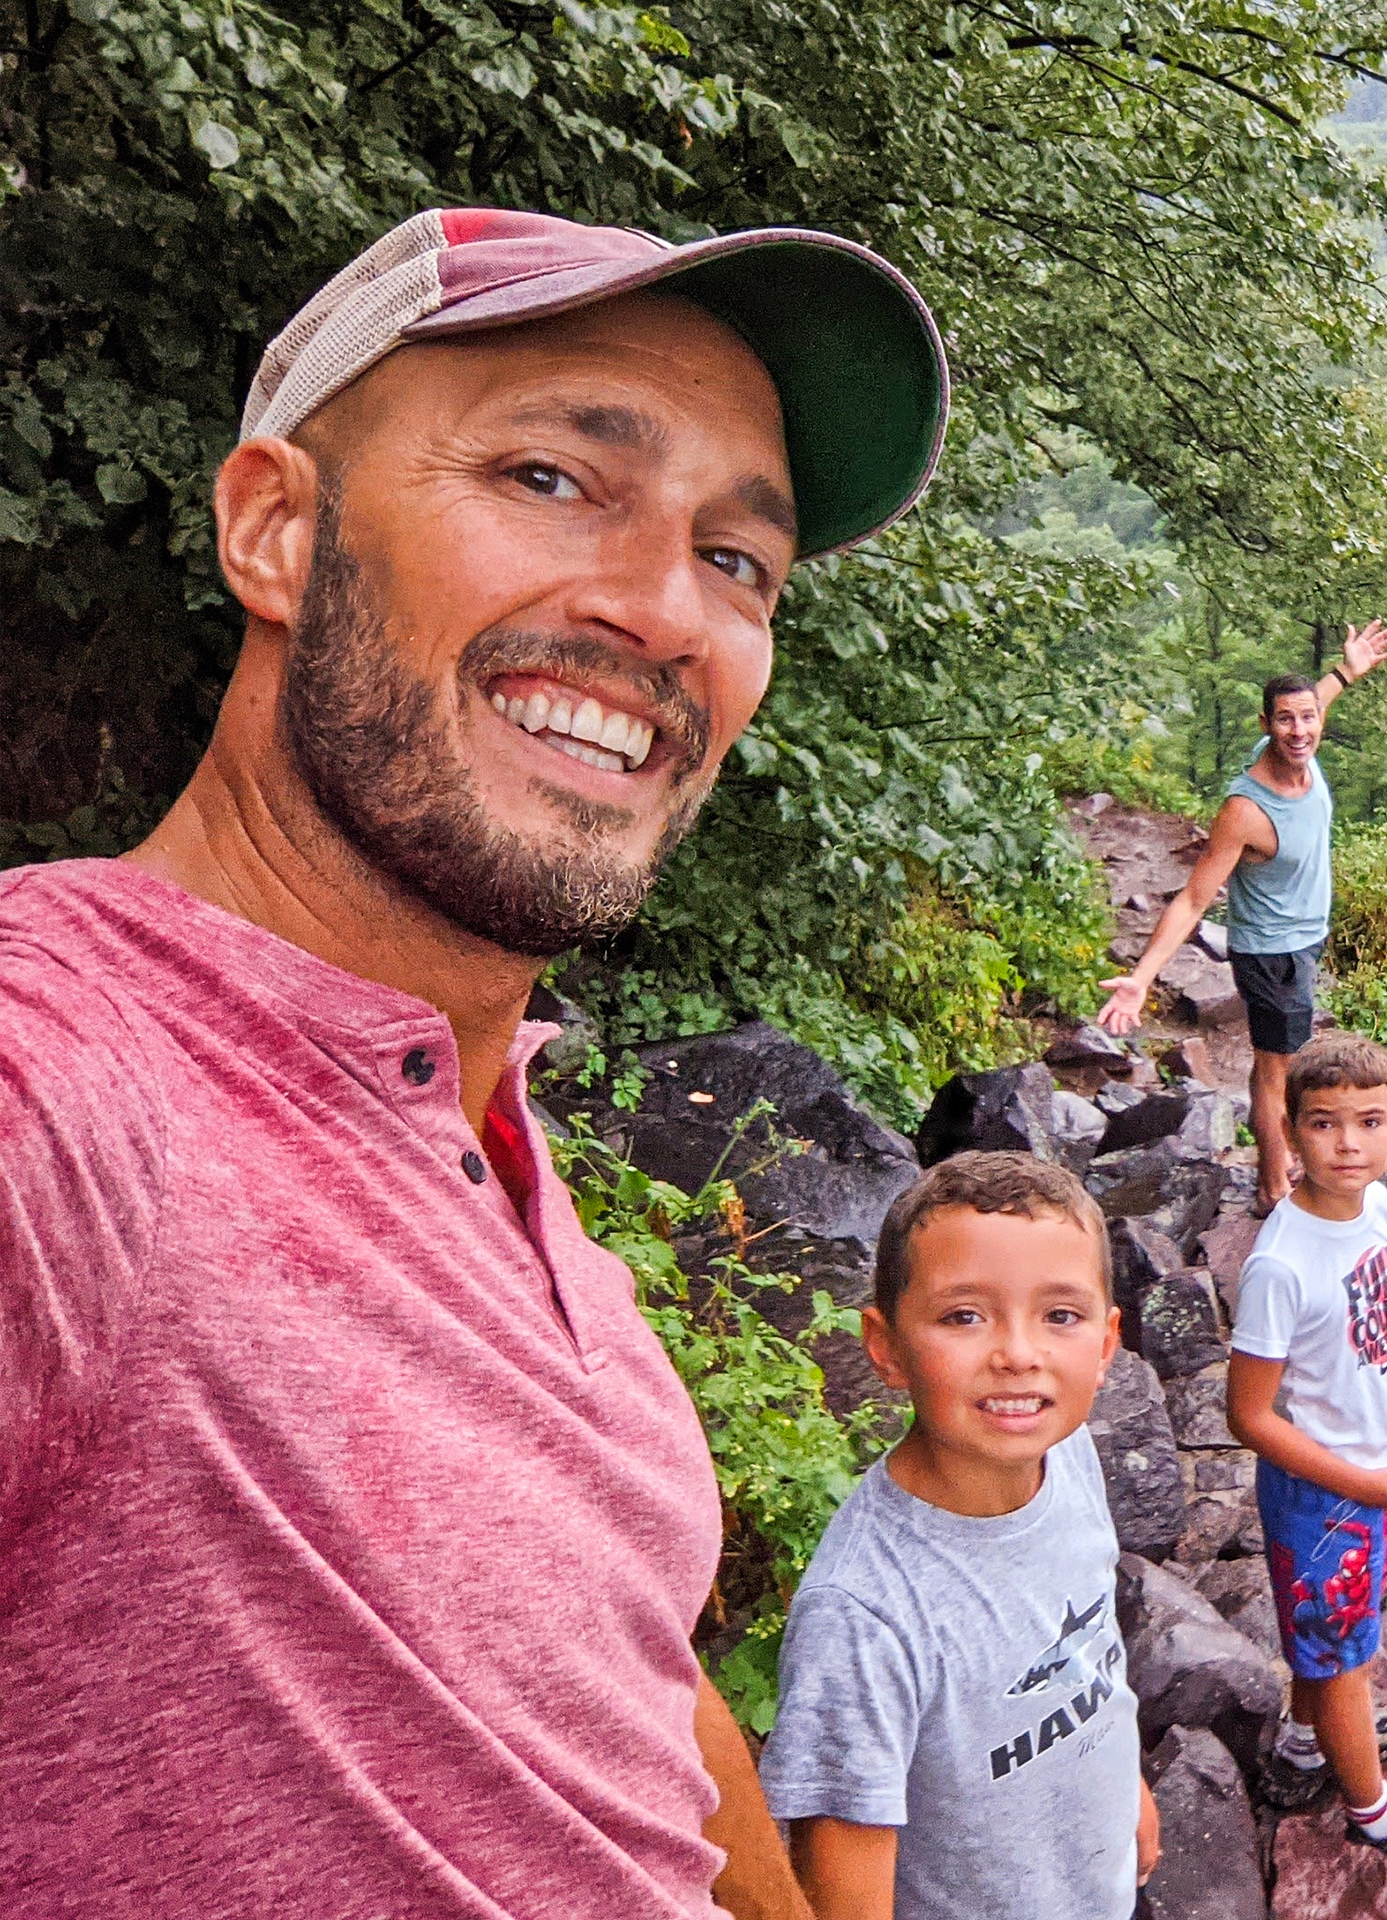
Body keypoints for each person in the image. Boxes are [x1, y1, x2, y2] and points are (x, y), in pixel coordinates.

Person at [0, 208, 948, 1919]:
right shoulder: (70, 1079)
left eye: (739, 561)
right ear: (278, 529)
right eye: (552, 478)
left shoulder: (485, 1143)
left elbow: (622, 1667)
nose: (666, 611)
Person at [761, 1152, 1161, 1920]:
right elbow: (845, 1894)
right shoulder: (863, 1616)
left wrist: (1127, 1790)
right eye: (964, 1316)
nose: (1018, 1355)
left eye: (1060, 1315)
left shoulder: (1068, 1454)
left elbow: (1088, 1653)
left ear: (1107, 1345)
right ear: (885, 1346)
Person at [1224, 1032, 1387, 1853]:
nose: (1348, 1143)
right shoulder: (1280, 1266)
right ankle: (1378, 1816)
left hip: (1369, 1466)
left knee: (1327, 1641)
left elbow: (1383, 1328)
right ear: (1289, 1130)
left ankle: (1302, 1750)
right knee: (1344, 1664)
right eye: (1324, 1123)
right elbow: (1249, 1417)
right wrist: (1364, 1486)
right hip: (1321, 1494)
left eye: (1369, 1122)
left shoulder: (1376, 1209)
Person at [1094, 620, 1387, 1210]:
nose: (1299, 730)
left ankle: (1275, 1165)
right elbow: (1192, 899)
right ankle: (1271, 1183)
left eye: (1307, 718)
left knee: (1275, 1060)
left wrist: (1346, 671)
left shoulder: (1299, 744)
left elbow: (1315, 699)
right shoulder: (1245, 810)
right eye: (1285, 720)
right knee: (1277, 1072)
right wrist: (1142, 977)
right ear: (1265, 725)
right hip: (1272, 955)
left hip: (1304, 939)